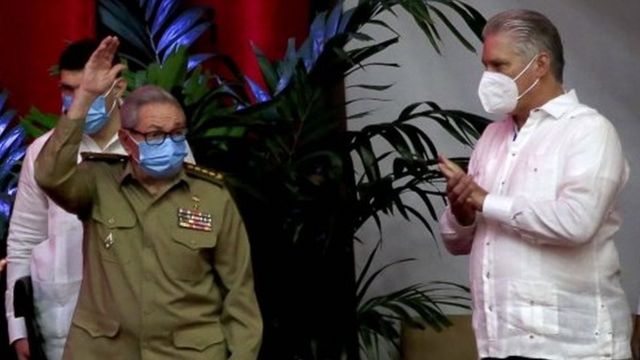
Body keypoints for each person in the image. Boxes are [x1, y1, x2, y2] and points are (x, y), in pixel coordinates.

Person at [34, 36, 262, 359]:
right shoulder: (98, 183)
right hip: (106, 352)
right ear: (127, 141)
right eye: (155, 135)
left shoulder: (213, 198)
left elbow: (240, 298)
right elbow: (48, 176)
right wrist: (84, 98)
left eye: (178, 133)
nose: (169, 144)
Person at [438, 10, 631, 360]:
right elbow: (456, 243)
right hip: (498, 343)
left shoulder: (588, 130)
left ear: (540, 64)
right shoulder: (491, 137)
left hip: (576, 348)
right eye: (485, 66)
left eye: (499, 66)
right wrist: (462, 211)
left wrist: (485, 200)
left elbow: (576, 223)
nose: (487, 78)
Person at [4, 39, 196, 360]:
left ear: (117, 88)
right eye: (69, 90)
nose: (77, 99)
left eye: (89, 90)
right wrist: (18, 327)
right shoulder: (43, 153)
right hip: (61, 326)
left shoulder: (163, 148)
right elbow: (24, 240)